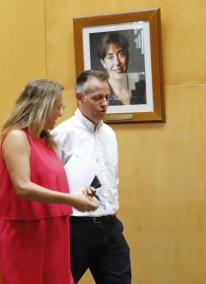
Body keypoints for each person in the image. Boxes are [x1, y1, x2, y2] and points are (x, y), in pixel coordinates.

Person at [0, 79, 99, 284]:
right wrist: (72, 200)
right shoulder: (17, 137)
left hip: (55, 230)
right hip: (25, 233)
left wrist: (80, 193)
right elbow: (22, 187)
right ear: (43, 106)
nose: (60, 113)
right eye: (58, 106)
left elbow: (49, 183)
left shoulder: (45, 141)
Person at [52, 70, 132, 284]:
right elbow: (49, 186)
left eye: (107, 97)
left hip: (110, 225)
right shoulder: (61, 135)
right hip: (74, 229)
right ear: (80, 98)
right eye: (97, 98)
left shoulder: (110, 134)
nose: (104, 103)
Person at [97, 31, 146, 106]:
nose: (117, 62)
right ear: (103, 63)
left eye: (121, 54)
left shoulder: (143, 87)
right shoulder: (98, 94)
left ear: (127, 56)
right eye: (110, 57)